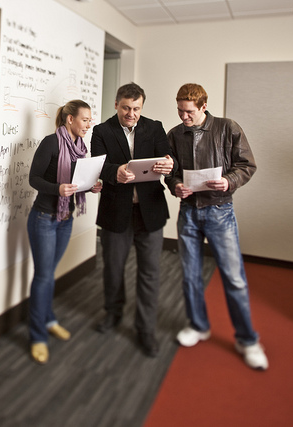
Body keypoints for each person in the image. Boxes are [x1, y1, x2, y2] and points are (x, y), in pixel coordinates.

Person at [165, 83, 269, 370]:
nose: (183, 117)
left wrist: (229, 181)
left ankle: (247, 340)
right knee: (189, 275)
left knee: (233, 278)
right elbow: (170, 172)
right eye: (179, 110)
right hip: (188, 212)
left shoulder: (227, 128)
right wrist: (175, 186)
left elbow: (247, 165)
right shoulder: (174, 134)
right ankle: (198, 326)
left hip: (220, 211)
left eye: (188, 112)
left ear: (203, 107)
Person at [91, 83, 174, 357]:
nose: (131, 114)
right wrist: (116, 172)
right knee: (113, 269)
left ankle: (145, 329)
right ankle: (113, 313)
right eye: (126, 108)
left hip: (149, 212)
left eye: (137, 109)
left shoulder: (155, 127)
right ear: (116, 105)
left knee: (149, 273)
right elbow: (98, 164)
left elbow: (166, 158)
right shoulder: (102, 131)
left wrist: (168, 164)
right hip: (116, 212)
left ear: (142, 107)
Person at [27, 99, 102, 365]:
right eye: (85, 119)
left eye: (90, 120)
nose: (88, 124)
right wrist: (57, 189)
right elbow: (34, 179)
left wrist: (90, 186)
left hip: (65, 218)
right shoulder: (51, 142)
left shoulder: (81, 148)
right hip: (44, 218)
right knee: (44, 277)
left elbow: (76, 182)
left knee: (49, 275)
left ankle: (48, 320)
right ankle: (37, 336)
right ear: (70, 119)